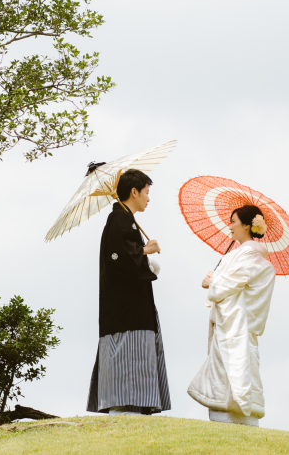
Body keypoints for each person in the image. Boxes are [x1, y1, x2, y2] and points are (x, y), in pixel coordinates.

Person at [86, 168, 171, 416]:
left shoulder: (125, 219)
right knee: (127, 352)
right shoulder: (119, 219)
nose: (148, 197)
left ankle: (132, 405)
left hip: (129, 305)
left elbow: (123, 257)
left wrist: (145, 259)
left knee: (134, 351)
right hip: (125, 310)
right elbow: (117, 257)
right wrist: (145, 251)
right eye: (146, 192)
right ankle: (125, 406)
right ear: (133, 192)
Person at [187, 205, 276, 426]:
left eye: (233, 221)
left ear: (247, 225)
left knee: (231, 374)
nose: (230, 226)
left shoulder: (248, 257)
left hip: (234, 327)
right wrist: (217, 280)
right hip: (238, 327)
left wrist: (212, 281)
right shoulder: (251, 257)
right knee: (237, 373)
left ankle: (229, 421)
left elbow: (226, 286)